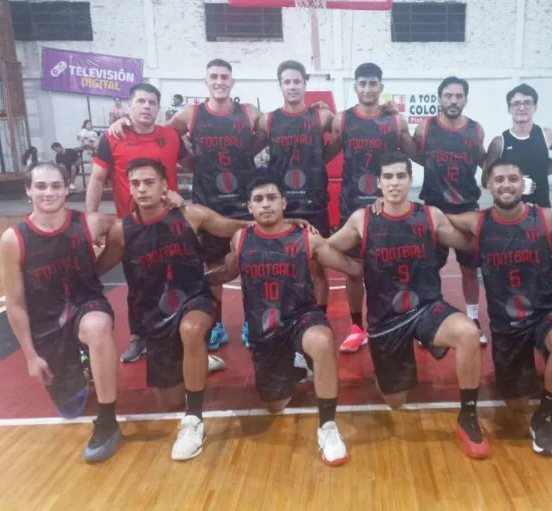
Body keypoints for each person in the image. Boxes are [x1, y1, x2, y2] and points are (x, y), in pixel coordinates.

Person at [327, 151, 490, 459]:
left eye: (401, 176)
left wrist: (478, 220)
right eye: (388, 177)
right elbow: (325, 249)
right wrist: (352, 267)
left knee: (468, 333)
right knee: (395, 401)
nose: (394, 182)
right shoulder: (363, 219)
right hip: (386, 320)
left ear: (410, 180)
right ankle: (395, 365)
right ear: (378, 183)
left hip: (426, 307)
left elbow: (467, 242)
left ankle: (468, 416)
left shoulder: (429, 215)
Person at [95, 158, 253, 460]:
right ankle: (200, 362)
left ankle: (194, 420)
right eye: (135, 183)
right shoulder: (122, 231)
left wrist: (286, 223)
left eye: (149, 182)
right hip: (154, 316)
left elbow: (234, 227)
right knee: (170, 400)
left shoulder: (191, 216)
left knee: (191, 330)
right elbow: (95, 270)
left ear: (165, 186)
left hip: (195, 301)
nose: (142, 189)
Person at [109, 60, 264, 353]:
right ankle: (216, 325)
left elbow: (271, 131)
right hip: (208, 201)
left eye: (225, 76)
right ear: (206, 81)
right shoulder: (191, 114)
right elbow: (157, 135)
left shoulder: (249, 113)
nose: (219, 81)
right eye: (213, 76)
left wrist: (245, 154)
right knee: (214, 267)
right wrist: (126, 123)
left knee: (251, 265)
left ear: (232, 82)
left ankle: (252, 322)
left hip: (243, 200)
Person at [218, 174, 363, 465]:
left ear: (283, 203)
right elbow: (227, 271)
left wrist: (385, 262)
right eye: (259, 200)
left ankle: (328, 426)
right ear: (249, 207)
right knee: (275, 405)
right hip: (264, 328)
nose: (266, 204)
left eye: (272, 198)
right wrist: (191, 278)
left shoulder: (307, 238)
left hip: (301, 317)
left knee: (321, 340)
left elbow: (350, 267)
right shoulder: (240, 238)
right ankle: (299, 370)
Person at [445, 159, 552, 457]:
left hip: (546, 311)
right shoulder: (477, 223)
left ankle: (545, 417)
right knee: (515, 403)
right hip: (506, 323)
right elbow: (437, 217)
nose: (507, 185)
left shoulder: (546, 218)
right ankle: (526, 376)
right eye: (500, 179)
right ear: (489, 186)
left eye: (513, 179)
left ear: (523, 183)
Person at [0, 162, 121, 463]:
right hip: (48, 321)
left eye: (56, 185)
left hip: (86, 304)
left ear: (67, 189)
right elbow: (15, 304)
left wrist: (98, 267)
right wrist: (31, 356)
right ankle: (84, 364)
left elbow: (120, 228)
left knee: (97, 327)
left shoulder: (88, 223)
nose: (49, 192)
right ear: (28, 191)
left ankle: (108, 422)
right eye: (40, 186)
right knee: (70, 409)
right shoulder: (14, 239)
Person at [88, 83, 189, 363]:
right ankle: (139, 336)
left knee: (176, 280)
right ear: (129, 105)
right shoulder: (113, 137)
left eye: (152, 102)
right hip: (132, 226)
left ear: (158, 108)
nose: (146, 106)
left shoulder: (170, 136)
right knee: (137, 286)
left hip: (170, 223)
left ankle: (180, 334)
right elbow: (97, 179)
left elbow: (191, 163)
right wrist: (90, 217)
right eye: (141, 101)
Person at [325, 63, 417, 353]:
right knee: (353, 270)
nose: (367, 89)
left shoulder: (396, 121)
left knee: (393, 266)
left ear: (381, 87)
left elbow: (417, 154)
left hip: (388, 205)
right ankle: (356, 327)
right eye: (362, 83)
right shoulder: (342, 120)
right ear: (355, 86)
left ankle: (397, 320)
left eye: (373, 83)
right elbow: (323, 154)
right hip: (352, 205)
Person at [409, 76, 487, 344]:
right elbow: (415, 154)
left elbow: (485, 162)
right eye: (448, 95)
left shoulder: (476, 130)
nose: (453, 100)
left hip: (466, 209)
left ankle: (473, 318)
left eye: (459, 96)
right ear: (440, 98)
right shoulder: (426, 127)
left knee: (469, 269)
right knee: (430, 269)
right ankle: (429, 320)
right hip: (434, 210)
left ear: (465, 99)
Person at [256, 60, 335, 318]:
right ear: (280, 85)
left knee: (318, 265)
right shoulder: (268, 120)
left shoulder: (322, 116)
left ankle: (319, 315)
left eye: (297, 81)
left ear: (305, 84)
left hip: (314, 203)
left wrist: (320, 159)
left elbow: (342, 137)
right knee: (283, 266)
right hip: (282, 205)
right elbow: (246, 150)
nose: (292, 86)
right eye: (287, 82)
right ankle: (287, 315)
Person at [483, 83, 552, 208]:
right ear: (509, 109)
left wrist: (550, 168)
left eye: (527, 103)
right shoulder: (499, 142)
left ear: (535, 107)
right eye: (516, 104)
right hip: (507, 212)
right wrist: (514, 183)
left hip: (540, 209)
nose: (522, 108)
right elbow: (486, 181)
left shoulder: (547, 135)